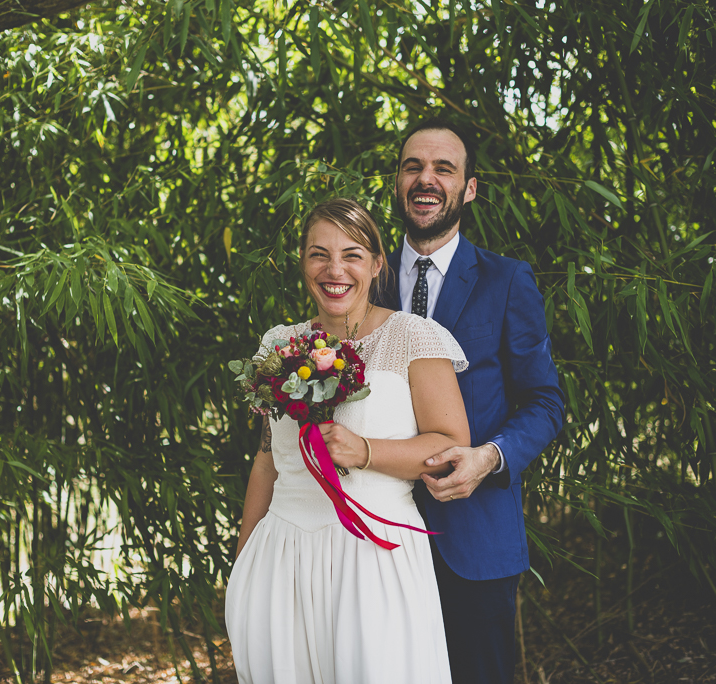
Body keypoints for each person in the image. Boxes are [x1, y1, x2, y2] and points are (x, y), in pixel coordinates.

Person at [225, 198, 471, 683]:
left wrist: (367, 451)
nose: (334, 269)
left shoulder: (413, 337)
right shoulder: (279, 344)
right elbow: (267, 460)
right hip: (282, 561)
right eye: (319, 254)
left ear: (378, 264)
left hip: (375, 558)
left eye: (352, 254)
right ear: (303, 262)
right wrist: (243, 567)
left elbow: (451, 445)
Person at [376, 116, 566, 684]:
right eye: (413, 166)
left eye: (443, 168)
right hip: (373, 534)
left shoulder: (507, 281)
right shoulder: (363, 280)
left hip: (476, 536)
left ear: (469, 187)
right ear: (396, 181)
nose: (426, 179)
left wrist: (490, 456)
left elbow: (546, 400)